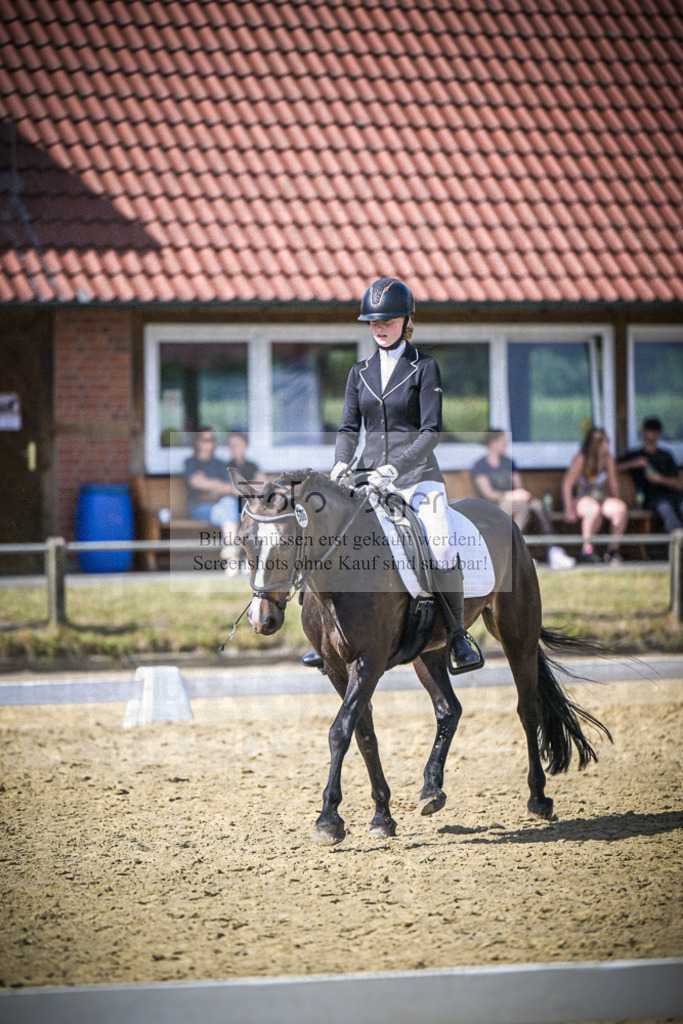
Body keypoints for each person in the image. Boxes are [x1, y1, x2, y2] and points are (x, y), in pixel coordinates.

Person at [305, 276, 481, 672]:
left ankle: (457, 636)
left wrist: (395, 468)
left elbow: (430, 431)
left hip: (419, 477)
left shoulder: (425, 367)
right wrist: (341, 463)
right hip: (368, 478)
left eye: (387, 320)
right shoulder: (359, 372)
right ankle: (324, 637)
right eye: (373, 322)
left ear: (406, 320)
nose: (379, 327)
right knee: (330, 539)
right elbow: (349, 428)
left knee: (440, 544)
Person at [471, 429, 575, 570]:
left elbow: (519, 486)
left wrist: (521, 494)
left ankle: (554, 550)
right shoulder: (481, 465)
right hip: (493, 505)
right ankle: (516, 553)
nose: (506, 445)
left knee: (537, 505)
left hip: (514, 500)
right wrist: (511, 495)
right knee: (523, 508)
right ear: (493, 443)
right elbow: (488, 493)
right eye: (503, 442)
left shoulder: (509, 462)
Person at [184, 428, 260, 574]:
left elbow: (231, 487)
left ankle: (233, 559)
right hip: (200, 507)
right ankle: (239, 558)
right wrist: (219, 485)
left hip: (223, 506)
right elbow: (197, 482)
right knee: (232, 508)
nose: (210, 443)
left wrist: (212, 484)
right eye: (206, 440)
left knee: (233, 506)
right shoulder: (191, 462)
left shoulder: (220, 464)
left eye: (212, 440)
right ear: (198, 442)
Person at [561, 426, 628, 563]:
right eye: (606, 441)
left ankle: (612, 551)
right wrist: (568, 509)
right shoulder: (581, 458)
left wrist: (616, 499)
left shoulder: (608, 458)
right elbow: (567, 484)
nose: (609, 444)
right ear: (596, 444)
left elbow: (613, 483)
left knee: (620, 509)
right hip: (580, 497)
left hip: (600, 496)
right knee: (593, 510)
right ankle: (587, 550)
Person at [617, 417, 683, 532]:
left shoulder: (665, 456)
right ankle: (678, 539)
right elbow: (614, 467)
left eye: (656, 431)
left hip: (673, 495)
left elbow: (678, 484)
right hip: (651, 498)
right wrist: (634, 464)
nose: (653, 434)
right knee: (665, 508)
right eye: (650, 431)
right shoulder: (636, 455)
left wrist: (659, 479)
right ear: (643, 431)